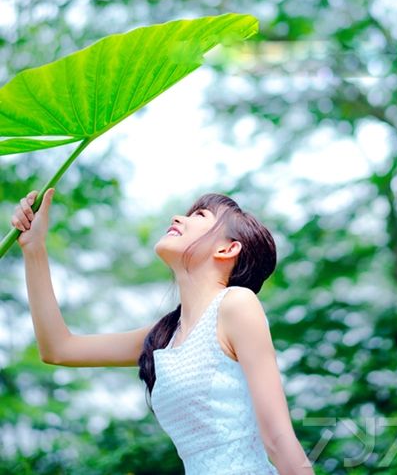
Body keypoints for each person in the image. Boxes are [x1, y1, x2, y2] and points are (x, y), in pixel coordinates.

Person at [11, 188, 316, 475]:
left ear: (228, 248)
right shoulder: (165, 335)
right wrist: (34, 249)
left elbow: (277, 439)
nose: (177, 218)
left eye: (200, 216)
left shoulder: (237, 304)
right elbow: (58, 349)